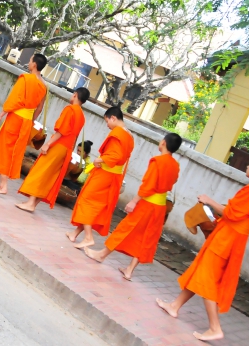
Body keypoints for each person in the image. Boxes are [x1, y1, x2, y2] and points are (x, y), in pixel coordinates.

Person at [156, 155, 249, 342]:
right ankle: (174, 306)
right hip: (237, 241)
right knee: (201, 273)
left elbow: (230, 213)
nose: (248, 166)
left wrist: (208, 201)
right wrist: (240, 223)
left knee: (206, 280)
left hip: (225, 240)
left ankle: (214, 327)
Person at [83, 132, 182, 280]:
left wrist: (134, 201)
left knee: (125, 228)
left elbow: (148, 186)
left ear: (163, 143)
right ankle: (129, 269)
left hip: (147, 203)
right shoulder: (175, 165)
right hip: (160, 206)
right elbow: (171, 184)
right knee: (146, 237)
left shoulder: (157, 161)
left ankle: (101, 255)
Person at [67, 106, 135, 248]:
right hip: (114, 175)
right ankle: (75, 234)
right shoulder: (129, 135)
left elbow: (115, 156)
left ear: (113, 118)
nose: (107, 125)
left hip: (105, 173)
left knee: (87, 201)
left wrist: (100, 160)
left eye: (107, 121)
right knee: (95, 206)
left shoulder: (118, 132)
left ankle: (88, 237)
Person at [0, 54, 48, 195]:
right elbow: (40, 108)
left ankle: (3, 186)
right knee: (10, 151)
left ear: (34, 64)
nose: (29, 63)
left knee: (5, 150)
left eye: (30, 60)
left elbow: (14, 100)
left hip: (16, 119)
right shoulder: (44, 85)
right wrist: (30, 121)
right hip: (26, 122)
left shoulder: (26, 79)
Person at [15, 87, 90, 213]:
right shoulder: (82, 116)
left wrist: (48, 144)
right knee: (51, 177)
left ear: (75, 95)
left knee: (41, 172)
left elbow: (62, 130)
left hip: (58, 145)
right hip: (67, 149)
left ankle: (30, 203)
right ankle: (33, 203)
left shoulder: (70, 109)